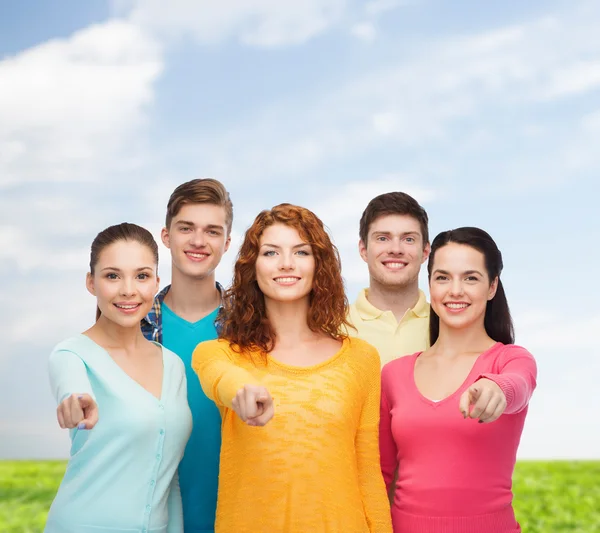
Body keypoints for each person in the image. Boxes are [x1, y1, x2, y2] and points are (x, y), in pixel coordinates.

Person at [192, 204, 392, 533]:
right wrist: (243, 391)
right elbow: (223, 380)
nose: (286, 263)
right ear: (252, 268)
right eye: (271, 253)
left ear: (319, 265)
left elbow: (368, 473)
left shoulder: (361, 359)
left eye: (301, 252)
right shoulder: (220, 355)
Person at [379, 227, 537, 533]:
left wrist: (496, 387)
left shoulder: (509, 361)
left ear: (492, 287)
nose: (455, 291)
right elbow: (380, 474)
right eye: (442, 277)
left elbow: (518, 384)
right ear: (429, 285)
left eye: (470, 278)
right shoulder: (394, 374)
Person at [46, 223, 192, 533]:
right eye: (112, 276)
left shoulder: (174, 365)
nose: (128, 290)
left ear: (156, 283)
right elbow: (72, 391)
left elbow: (169, 477)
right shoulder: (71, 355)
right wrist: (75, 403)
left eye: (141, 276)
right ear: (91, 282)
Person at [141, 178, 233, 533]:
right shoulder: (134, 324)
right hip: (155, 521)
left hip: (237, 517)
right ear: (166, 236)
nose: (198, 241)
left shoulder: (253, 329)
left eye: (211, 231)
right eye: (186, 228)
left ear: (226, 243)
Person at [348, 192, 431, 365]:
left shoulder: (449, 324)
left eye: (408, 239)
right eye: (382, 238)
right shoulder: (331, 327)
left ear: (425, 252)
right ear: (363, 250)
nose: (395, 249)